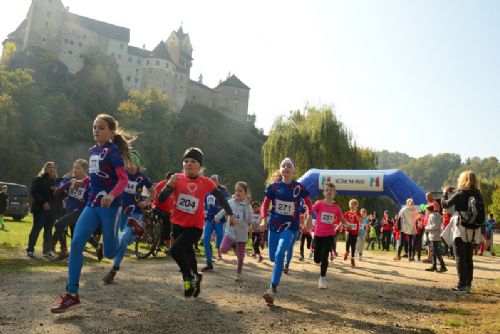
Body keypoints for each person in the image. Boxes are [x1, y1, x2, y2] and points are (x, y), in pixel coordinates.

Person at [51, 114, 132, 313]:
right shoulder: (93, 150)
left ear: (112, 131)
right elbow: (95, 176)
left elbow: (123, 180)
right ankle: (72, 295)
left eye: (102, 127)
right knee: (77, 243)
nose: (96, 130)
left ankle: (129, 231)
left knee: (111, 253)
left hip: (110, 206)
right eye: (95, 127)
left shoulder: (113, 152)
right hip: (92, 203)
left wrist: (112, 196)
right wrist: (82, 182)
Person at [157, 147, 235, 298]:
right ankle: (197, 277)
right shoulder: (177, 179)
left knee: (175, 251)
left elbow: (221, 198)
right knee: (188, 253)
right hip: (178, 225)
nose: (189, 164)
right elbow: (160, 200)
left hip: (195, 226)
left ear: (200, 166)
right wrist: (169, 185)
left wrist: (230, 214)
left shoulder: (206, 182)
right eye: (186, 161)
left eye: (193, 161)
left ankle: (188, 277)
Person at [260, 158, 312, 305]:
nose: (286, 168)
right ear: (280, 170)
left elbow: (308, 203)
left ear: (294, 170)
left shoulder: (299, 188)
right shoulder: (274, 187)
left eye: (289, 166)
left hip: (290, 226)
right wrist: (264, 219)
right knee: (272, 257)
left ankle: (272, 288)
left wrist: (308, 218)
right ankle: (275, 280)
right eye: (283, 165)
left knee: (280, 253)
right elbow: (265, 204)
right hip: (274, 226)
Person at [102, 151, 156, 284]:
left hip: (134, 212)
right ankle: (140, 228)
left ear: (136, 164)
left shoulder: (142, 178)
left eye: (130, 163)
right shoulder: (121, 175)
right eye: (125, 163)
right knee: (124, 240)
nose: (128, 166)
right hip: (119, 211)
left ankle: (114, 269)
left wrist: (146, 202)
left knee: (124, 237)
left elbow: (153, 192)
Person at [441, 170, 485, 293]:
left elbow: (445, 204)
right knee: (468, 257)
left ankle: (462, 285)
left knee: (459, 256)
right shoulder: (478, 193)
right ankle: (468, 284)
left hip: (460, 226)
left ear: (462, 180)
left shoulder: (461, 193)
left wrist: (445, 193)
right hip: (473, 228)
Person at [50, 159, 102, 262]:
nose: (75, 170)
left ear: (84, 170)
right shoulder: (69, 179)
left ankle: (63, 252)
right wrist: (68, 184)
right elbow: (55, 193)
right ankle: (98, 246)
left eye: (78, 168)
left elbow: (93, 198)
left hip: (81, 212)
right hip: (70, 211)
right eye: (74, 167)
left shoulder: (89, 182)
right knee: (81, 234)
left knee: (58, 225)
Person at [311, 183, 347, 288]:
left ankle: (322, 279)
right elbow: (311, 210)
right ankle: (318, 260)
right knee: (317, 259)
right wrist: (305, 215)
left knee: (325, 256)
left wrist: (347, 224)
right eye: (327, 190)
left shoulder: (336, 207)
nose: (329, 192)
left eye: (331, 190)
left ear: (335, 193)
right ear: (324, 193)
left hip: (329, 235)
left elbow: (341, 218)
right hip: (318, 234)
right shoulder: (319, 204)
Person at [215, 181, 252, 281]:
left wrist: (247, 208)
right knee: (223, 249)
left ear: (245, 193)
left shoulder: (247, 205)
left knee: (240, 256)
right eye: (236, 190)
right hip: (230, 231)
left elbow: (249, 219)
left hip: (241, 234)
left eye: (240, 191)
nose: (238, 193)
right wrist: (217, 217)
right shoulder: (231, 202)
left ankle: (238, 273)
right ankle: (233, 244)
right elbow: (224, 210)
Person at [27, 161, 58, 258]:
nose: (52, 169)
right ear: (45, 168)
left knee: (48, 231)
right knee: (36, 229)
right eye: (50, 167)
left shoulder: (54, 181)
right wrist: (43, 202)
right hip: (40, 209)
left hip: (51, 211)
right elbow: (34, 192)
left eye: (53, 167)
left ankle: (46, 251)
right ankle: (30, 250)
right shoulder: (39, 179)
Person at [201, 174, 231, 272]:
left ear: (219, 182)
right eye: (211, 180)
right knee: (205, 239)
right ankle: (209, 262)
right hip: (209, 219)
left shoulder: (223, 192)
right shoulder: (207, 192)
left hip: (219, 220)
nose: (213, 181)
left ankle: (220, 251)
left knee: (219, 242)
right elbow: (205, 205)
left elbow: (228, 204)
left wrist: (221, 215)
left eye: (215, 180)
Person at [152, 171, 176, 254]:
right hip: (157, 207)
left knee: (167, 228)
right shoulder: (161, 184)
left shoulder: (175, 187)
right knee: (155, 222)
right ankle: (152, 240)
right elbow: (154, 193)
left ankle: (167, 247)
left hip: (167, 211)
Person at [424, 204, 447, 273]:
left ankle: (443, 266)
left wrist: (427, 228)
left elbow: (435, 226)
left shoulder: (432, 216)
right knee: (433, 252)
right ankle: (434, 266)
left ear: (428, 210)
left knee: (436, 251)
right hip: (435, 235)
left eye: (426, 210)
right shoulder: (437, 215)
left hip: (434, 235)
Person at [343, 199, 361, 267]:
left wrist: (356, 214)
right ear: (349, 205)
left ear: (357, 206)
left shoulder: (358, 213)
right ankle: (347, 251)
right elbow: (343, 220)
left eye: (354, 204)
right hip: (348, 230)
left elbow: (361, 221)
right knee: (348, 241)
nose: (352, 206)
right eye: (351, 204)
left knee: (353, 246)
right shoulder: (347, 213)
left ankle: (352, 259)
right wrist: (345, 225)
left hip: (355, 232)